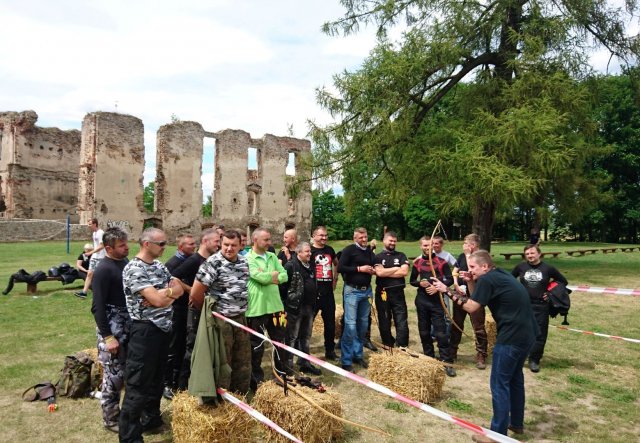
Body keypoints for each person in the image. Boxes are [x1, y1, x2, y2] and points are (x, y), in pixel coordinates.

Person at [432, 251, 538, 440]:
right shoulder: (498, 274)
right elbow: (477, 298)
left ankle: (496, 435)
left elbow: (471, 307)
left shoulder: (488, 279)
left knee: (499, 384)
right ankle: (516, 423)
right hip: (527, 334)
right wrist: (471, 281)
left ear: (485, 266)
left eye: (473, 267)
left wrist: (445, 290)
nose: (469, 270)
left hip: (512, 337)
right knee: (514, 379)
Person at [119, 228, 185, 443]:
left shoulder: (158, 266)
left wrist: (166, 294)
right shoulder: (134, 268)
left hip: (163, 330)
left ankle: (151, 420)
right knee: (138, 384)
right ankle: (130, 437)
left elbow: (178, 288)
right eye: (161, 243)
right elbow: (156, 301)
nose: (165, 247)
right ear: (147, 244)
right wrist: (163, 296)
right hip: (145, 331)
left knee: (156, 380)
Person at [190, 229, 251, 394]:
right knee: (223, 361)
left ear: (240, 246)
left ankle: (240, 395)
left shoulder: (244, 262)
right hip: (221, 319)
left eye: (233, 245)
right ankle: (222, 396)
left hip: (240, 318)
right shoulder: (212, 263)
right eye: (226, 244)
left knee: (243, 359)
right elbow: (195, 294)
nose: (229, 248)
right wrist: (209, 313)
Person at [163, 229, 219, 398]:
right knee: (177, 346)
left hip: (193, 308)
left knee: (185, 346)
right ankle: (169, 384)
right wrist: (192, 292)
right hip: (181, 309)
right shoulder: (194, 260)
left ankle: (184, 382)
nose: (218, 244)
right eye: (216, 241)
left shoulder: (207, 259)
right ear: (206, 241)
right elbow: (172, 278)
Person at [90, 227, 130, 434]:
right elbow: (97, 307)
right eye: (122, 245)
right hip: (112, 329)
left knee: (126, 374)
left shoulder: (124, 262)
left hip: (127, 326)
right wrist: (108, 337)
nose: (126, 248)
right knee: (113, 376)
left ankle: (125, 414)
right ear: (108, 248)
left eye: (126, 243)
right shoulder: (103, 270)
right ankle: (111, 419)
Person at [511, 244, 568, 373]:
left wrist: (550, 293)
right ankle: (520, 357)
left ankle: (534, 360)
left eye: (532, 253)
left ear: (539, 254)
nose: (530, 256)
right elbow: (510, 279)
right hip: (523, 305)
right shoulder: (521, 267)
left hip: (541, 305)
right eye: (527, 254)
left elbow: (562, 281)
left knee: (539, 334)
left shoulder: (548, 268)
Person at [245, 227, 288, 391]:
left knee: (280, 343)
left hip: (276, 307)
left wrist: (271, 277)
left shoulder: (272, 256)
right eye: (266, 240)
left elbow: (285, 275)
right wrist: (273, 276)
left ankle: (281, 375)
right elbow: (259, 277)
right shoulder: (247, 258)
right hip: (256, 309)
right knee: (256, 347)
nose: (269, 243)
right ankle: (256, 381)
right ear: (255, 240)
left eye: (269, 239)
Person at [410, 237, 456, 377]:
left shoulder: (441, 261)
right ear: (421, 246)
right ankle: (429, 358)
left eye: (430, 245)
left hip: (437, 302)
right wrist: (420, 283)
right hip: (422, 301)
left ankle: (446, 361)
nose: (427, 248)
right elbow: (412, 280)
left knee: (441, 333)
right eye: (425, 245)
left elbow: (449, 279)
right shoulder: (417, 262)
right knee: (424, 332)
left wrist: (438, 288)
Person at [337, 227, 376, 372]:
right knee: (351, 325)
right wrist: (360, 269)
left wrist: (374, 269)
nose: (364, 239)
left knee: (363, 325)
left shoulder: (369, 252)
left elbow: (375, 264)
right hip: (352, 291)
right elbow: (340, 268)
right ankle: (346, 360)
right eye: (361, 237)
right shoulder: (349, 250)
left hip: (366, 292)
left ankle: (357, 354)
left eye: (365, 237)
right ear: (355, 238)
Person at [450, 234, 488, 369]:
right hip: (461, 294)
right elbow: (455, 270)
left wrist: (467, 254)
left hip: (476, 296)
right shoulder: (462, 256)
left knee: (478, 327)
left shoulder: (481, 257)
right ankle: (452, 351)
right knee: (456, 323)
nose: (463, 245)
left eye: (466, 243)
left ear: (473, 245)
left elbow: (471, 271)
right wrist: (455, 284)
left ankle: (481, 354)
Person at [283, 242, 321, 375]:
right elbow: (283, 287)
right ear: (298, 253)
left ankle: (305, 363)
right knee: (292, 338)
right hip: (295, 309)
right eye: (307, 251)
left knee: (306, 337)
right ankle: (288, 367)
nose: (310, 254)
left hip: (309, 307)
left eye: (310, 251)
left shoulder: (311, 265)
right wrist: (287, 304)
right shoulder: (290, 266)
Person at [373, 231, 410, 349]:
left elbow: (404, 272)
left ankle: (402, 345)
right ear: (384, 241)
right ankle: (388, 344)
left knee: (401, 319)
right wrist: (396, 268)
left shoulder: (401, 255)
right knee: (384, 319)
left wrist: (386, 271)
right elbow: (379, 273)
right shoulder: (377, 257)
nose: (393, 243)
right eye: (390, 240)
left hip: (398, 293)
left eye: (394, 241)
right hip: (382, 293)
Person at [310, 226, 339, 360]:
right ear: (314, 236)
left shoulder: (330, 250)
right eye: (321, 235)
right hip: (313, 293)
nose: (324, 238)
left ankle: (330, 350)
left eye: (326, 235)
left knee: (330, 324)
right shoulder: (310, 250)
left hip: (328, 293)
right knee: (308, 323)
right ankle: (303, 351)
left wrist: (335, 279)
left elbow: (336, 263)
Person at [75, 218, 106, 298]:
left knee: (100, 275)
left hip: (101, 257)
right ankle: (84, 292)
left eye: (90, 224)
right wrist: (92, 254)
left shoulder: (100, 233)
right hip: (95, 257)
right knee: (89, 274)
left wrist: (90, 253)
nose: (88, 226)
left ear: (95, 224)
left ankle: (105, 291)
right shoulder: (94, 233)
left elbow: (102, 246)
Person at [277, 228, 298, 303]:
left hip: (295, 286)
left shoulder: (300, 251)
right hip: (283, 285)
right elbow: (278, 266)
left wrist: (288, 256)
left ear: (293, 239)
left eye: (286, 237)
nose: (283, 240)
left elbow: (297, 267)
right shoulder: (282, 251)